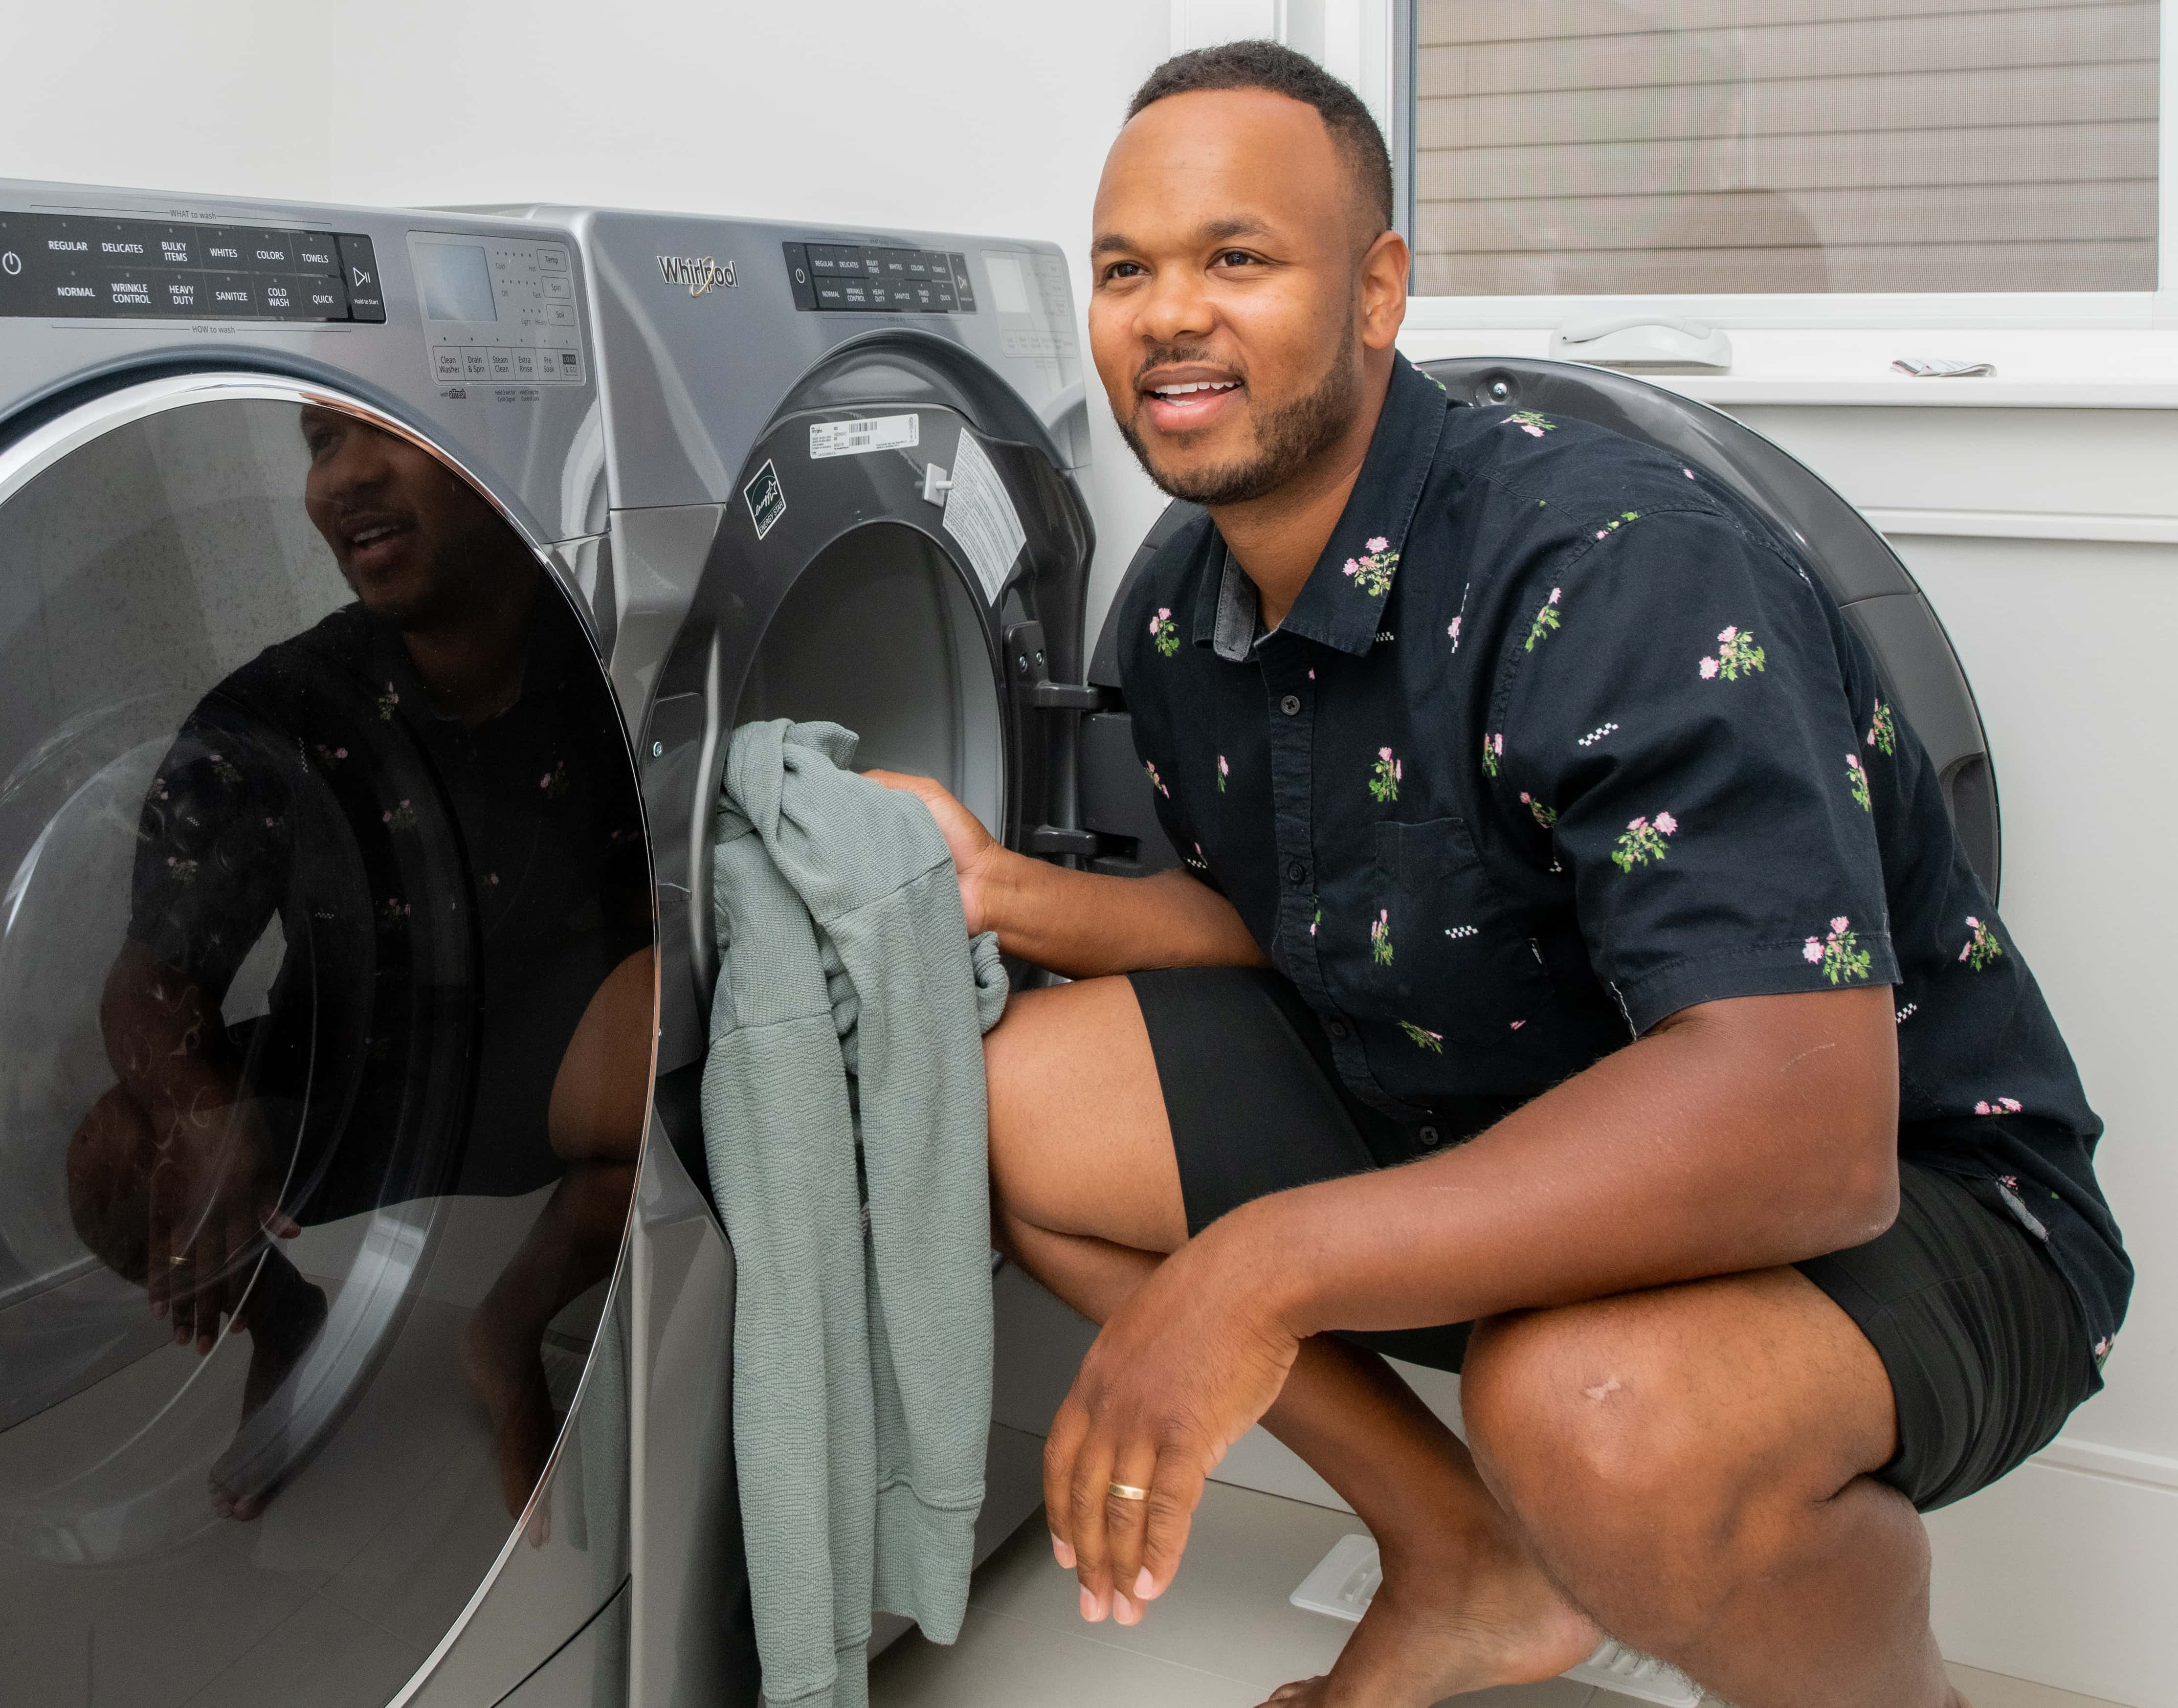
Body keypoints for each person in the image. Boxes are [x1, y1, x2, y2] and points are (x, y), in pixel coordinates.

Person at [872, 42, 2127, 1708]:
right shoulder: (1185, 603)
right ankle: (1465, 1560)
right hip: (1489, 1107)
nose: (1168, 312)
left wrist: (1258, 1271)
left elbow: (1804, 1135)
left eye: (1236, 258)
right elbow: (1301, 917)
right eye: (1126, 269)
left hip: (1923, 1198)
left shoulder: (1617, 565)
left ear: (1377, 291)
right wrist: (1006, 894)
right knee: (1000, 1099)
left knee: (1585, 1407)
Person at [65, 405, 653, 1527]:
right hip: (348, 1082)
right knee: (111, 1158)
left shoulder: (617, 656)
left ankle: (508, 1329)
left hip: (556, 1054)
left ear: (502, 457)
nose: (344, 479)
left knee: (697, 1078)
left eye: (387, 432)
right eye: (320, 443)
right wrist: (203, 1114)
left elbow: (663, 905)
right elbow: (150, 979)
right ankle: (286, 1320)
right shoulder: (279, 713)